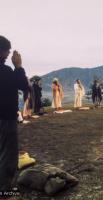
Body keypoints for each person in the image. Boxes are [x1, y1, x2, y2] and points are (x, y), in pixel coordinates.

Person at [0, 36, 28, 192]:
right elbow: (23, 85)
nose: (9, 53)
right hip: (5, 117)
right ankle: (4, 190)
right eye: (7, 50)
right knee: (8, 154)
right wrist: (18, 66)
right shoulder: (5, 70)